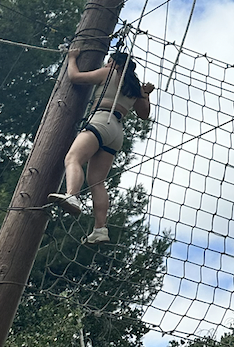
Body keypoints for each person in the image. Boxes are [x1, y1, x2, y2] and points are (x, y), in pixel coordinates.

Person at [47, 49, 154, 244]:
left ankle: (72, 195)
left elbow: (75, 77)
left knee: (73, 159)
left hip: (101, 120)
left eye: (108, 62)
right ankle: (100, 228)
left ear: (116, 64)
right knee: (97, 181)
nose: (105, 65)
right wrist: (145, 94)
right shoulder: (135, 86)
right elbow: (144, 114)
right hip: (117, 131)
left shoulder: (110, 73)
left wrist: (71, 58)